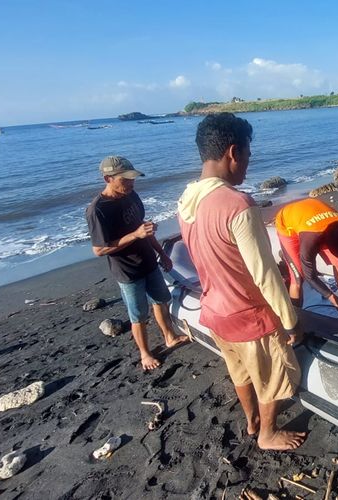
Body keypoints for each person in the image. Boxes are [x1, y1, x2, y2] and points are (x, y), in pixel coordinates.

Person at [177, 112, 306, 450]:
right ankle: (267, 433)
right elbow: (264, 274)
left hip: (214, 311)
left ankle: (250, 421)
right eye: (248, 154)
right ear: (233, 152)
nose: (249, 163)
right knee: (271, 376)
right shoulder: (237, 204)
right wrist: (290, 320)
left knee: (240, 372)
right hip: (248, 315)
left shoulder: (186, 201)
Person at [86, 156, 188, 370]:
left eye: (132, 178)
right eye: (125, 179)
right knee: (138, 315)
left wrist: (162, 253)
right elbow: (99, 249)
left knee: (161, 300)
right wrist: (135, 235)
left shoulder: (131, 195)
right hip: (127, 271)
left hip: (149, 261)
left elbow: (143, 227)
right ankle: (145, 354)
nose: (131, 183)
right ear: (108, 178)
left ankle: (169, 336)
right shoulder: (98, 210)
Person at [275, 198, 338, 317]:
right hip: (288, 226)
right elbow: (310, 276)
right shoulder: (310, 240)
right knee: (298, 277)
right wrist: (334, 300)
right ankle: (294, 318)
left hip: (318, 222)